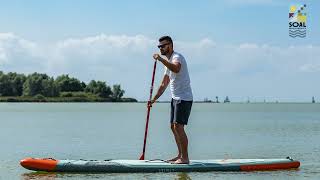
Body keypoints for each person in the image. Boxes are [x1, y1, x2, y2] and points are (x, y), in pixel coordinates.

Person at [149, 36, 193, 164]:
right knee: (173, 127)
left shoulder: (176, 57)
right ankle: (180, 155)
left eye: (163, 46)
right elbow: (164, 84)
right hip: (175, 98)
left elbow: (176, 68)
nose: (160, 48)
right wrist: (153, 100)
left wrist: (161, 60)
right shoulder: (167, 63)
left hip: (184, 98)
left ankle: (185, 158)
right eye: (159, 46)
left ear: (170, 45)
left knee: (179, 127)